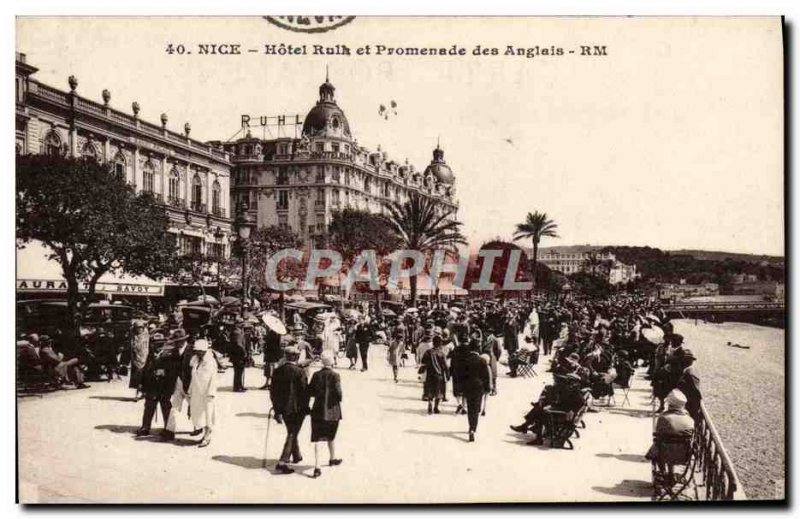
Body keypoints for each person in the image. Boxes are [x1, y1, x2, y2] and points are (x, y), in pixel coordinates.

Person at [271, 346, 310, 474]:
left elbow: (273, 393)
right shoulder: (300, 372)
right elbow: (305, 392)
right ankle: (283, 462)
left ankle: (296, 455)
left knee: (291, 430)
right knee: (292, 432)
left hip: (283, 408)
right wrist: (306, 408)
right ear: (295, 357)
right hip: (297, 408)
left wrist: (277, 410)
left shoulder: (277, 371)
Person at [308, 351, 343, 478]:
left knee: (317, 438)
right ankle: (332, 458)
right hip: (332, 411)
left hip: (318, 410)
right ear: (332, 361)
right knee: (331, 435)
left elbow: (310, 391)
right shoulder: (335, 375)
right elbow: (339, 395)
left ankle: (317, 466)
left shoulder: (316, 375)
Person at [646, 390, 695, 480]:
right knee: (669, 445)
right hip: (683, 456)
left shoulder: (664, 418)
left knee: (660, 444)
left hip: (664, 453)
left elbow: (658, 434)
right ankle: (671, 473)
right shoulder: (690, 420)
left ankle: (663, 472)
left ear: (669, 404)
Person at [164, 329, 200, 441]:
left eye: (180, 341)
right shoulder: (174, 351)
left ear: (184, 340)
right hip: (177, 382)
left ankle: (198, 427)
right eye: (176, 341)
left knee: (194, 405)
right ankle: (170, 431)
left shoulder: (193, 350)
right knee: (174, 407)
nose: (178, 343)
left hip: (190, 383)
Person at [136, 333, 174, 437]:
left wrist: (164, 373)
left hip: (164, 386)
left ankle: (169, 430)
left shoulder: (169, 355)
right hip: (151, 385)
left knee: (166, 407)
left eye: (160, 344)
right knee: (149, 406)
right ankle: (145, 427)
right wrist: (142, 384)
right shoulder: (150, 355)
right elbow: (145, 370)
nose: (157, 346)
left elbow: (173, 371)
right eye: (155, 343)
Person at [457, 340, 491, 442]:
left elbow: (461, 376)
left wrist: (461, 388)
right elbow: (486, 377)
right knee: (476, 408)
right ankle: (473, 428)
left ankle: (470, 426)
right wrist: (487, 388)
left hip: (468, 386)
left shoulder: (465, 360)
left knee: (470, 407)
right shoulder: (482, 361)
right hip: (479, 387)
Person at [188, 339, 217, 447]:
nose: (198, 352)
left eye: (200, 351)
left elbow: (214, 378)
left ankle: (208, 436)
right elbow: (193, 376)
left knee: (208, 414)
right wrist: (190, 390)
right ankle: (204, 434)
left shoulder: (211, 362)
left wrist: (211, 392)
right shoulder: (195, 360)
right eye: (196, 350)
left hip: (207, 392)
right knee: (199, 414)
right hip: (197, 390)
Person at [419, 335, 450, 414]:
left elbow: (423, 362)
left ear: (433, 343)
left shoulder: (428, 352)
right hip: (439, 375)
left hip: (430, 374)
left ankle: (430, 402)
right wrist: (447, 374)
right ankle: (436, 407)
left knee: (430, 390)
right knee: (438, 392)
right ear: (440, 343)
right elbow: (445, 366)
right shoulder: (442, 353)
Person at [128, 320, 150, 399]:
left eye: (141, 328)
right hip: (136, 359)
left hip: (145, 359)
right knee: (137, 377)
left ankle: (143, 392)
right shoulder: (133, 337)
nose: (139, 329)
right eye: (137, 328)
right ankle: (137, 393)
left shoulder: (147, 336)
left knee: (144, 377)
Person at [481, 327, 503, 396]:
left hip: (492, 358)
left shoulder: (495, 340)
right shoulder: (483, 339)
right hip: (484, 357)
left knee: (493, 375)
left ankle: (494, 389)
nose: (485, 334)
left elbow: (499, 350)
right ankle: (486, 388)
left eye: (487, 332)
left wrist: (496, 358)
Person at [230, 320, 248, 392]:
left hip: (238, 354)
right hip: (238, 354)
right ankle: (237, 387)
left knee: (240, 371)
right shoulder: (236, 332)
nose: (243, 325)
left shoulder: (239, 332)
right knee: (238, 372)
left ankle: (239, 385)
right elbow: (238, 344)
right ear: (237, 324)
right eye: (241, 323)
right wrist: (244, 352)